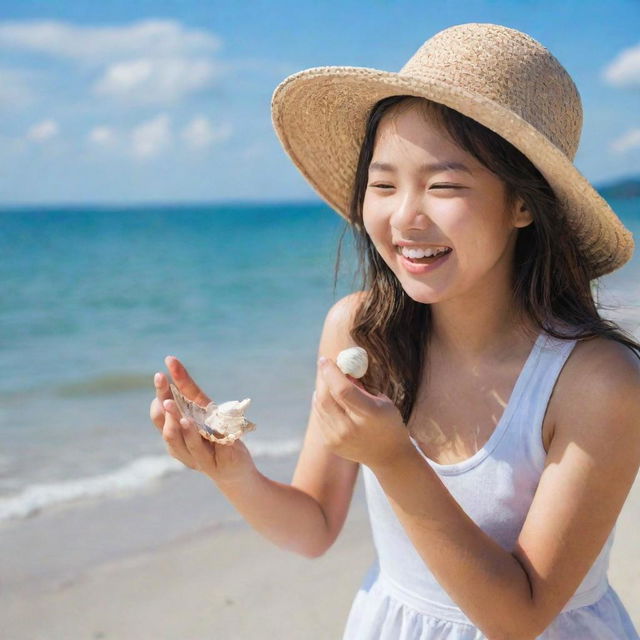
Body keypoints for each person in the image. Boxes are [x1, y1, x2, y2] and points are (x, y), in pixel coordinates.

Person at [149, 22, 640, 639]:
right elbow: (313, 529)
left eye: (443, 185)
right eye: (383, 184)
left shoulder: (596, 381)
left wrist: (394, 459)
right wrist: (233, 473)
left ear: (522, 204)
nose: (405, 216)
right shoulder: (360, 334)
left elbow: (519, 617)